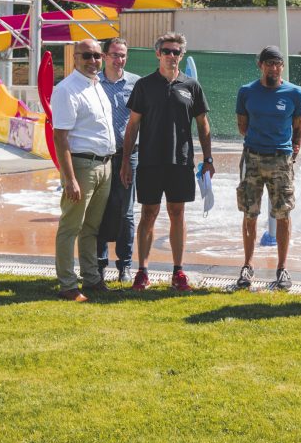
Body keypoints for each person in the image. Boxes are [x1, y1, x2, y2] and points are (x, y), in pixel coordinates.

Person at [120, 32, 214, 292]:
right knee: (148, 214)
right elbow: (133, 126)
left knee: (177, 213)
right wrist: (126, 161)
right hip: (150, 161)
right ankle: (142, 271)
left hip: (180, 162)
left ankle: (178, 271)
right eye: (167, 51)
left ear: (181, 56)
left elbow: (203, 125)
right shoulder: (144, 85)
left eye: (176, 52)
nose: (172, 56)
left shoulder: (191, 86)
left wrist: (208, 160)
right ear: (158, 54)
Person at [234, 46, 301, 291]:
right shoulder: (246, 92)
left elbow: (298, 128)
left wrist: (293, 151)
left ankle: (282, 268)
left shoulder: (295, 93)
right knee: (249, 213)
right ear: (260, 65)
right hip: (252, 158)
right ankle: (247, 265)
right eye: (268, 63)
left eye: (277, 63)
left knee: (283, 214)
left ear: (282, 66)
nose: (273, 68)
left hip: (281, 160)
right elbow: (242, 126)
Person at [50, 38, 116, 302]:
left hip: (103, 164)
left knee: (91, 227)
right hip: (81, 165)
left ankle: (91, 278)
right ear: (75, 58)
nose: (93, 61)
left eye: (97, 55)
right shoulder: (67, 90)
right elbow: (60, 137)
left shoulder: (97, 86)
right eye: (87, 56)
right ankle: (67, 284)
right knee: (71, 226)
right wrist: (69, 178)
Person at [96, 38, 140, 283]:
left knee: (125, 212)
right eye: (114, 55)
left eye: (122, 55)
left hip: (127, 154)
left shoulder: (136, 84)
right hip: (100, 155)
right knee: (99, 209)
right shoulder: (93, 83)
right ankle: (99, 264)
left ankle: (124, 265)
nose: (119, 59)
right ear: (104, 56)